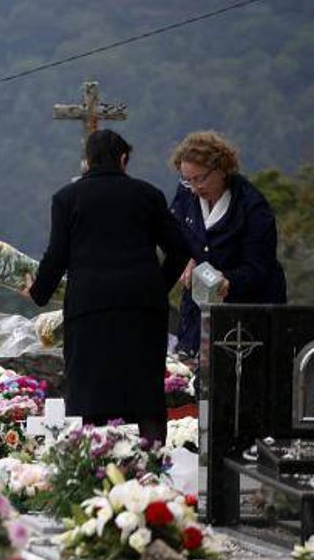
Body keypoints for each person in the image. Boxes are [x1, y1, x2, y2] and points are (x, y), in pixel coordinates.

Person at [22, 129, 191, 446]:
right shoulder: (149, 195)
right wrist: (155, 287)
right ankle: (154, 471)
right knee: (146, 397)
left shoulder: (66, 199)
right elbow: (180, 250)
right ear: (124, 159)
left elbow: (56, 256)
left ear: (86, 161)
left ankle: (95, 473)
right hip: (142, 310)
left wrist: (37, 292)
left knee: (89, 396)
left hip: (89, 311)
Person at [170, 130, 287, 355]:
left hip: (245, 315)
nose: (194, 188)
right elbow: (175, 235)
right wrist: (185, 260)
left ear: (221, 169)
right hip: (196, 311)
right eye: (188, 180)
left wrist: (227, 280)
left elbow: (259, 268)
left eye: (200, 178)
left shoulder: (252, 208)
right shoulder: (185, 195)